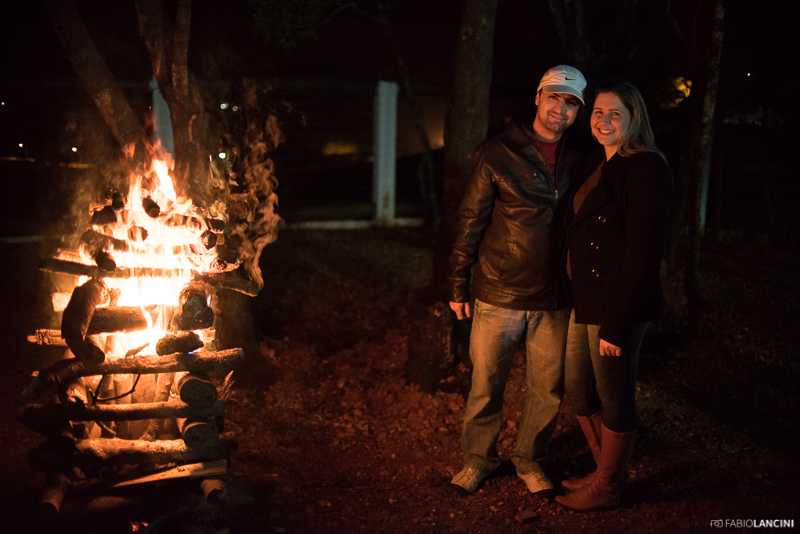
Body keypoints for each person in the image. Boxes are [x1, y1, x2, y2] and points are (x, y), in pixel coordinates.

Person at [448, 65, 588, 495]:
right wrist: (457, 283)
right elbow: (470, 220)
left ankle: (530, 459)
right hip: (499, 291)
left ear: (578, 111)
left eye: (571, 103)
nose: (560, 109)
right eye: (554, 97)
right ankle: (477, 460)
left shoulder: (583, 156)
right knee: (485, 385)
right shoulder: (496, 152)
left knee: (547, 390)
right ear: (538, 97)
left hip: (556, 294)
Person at [554, 81, 673, 512]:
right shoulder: (596, 162)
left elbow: (643, 252)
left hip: (617, 303)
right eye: (598, 113)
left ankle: (608, 487)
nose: (603, 121)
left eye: (615, 114)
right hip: (585, 298)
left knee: (614, 396)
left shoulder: (646, 167)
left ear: (634, 119)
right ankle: (604, 472)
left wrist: (617, 324)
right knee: (578, 390)